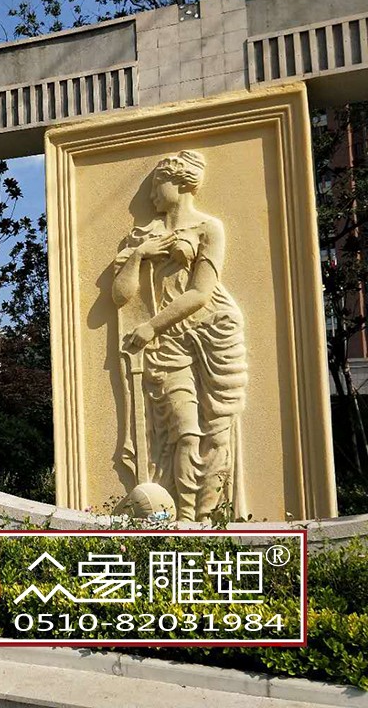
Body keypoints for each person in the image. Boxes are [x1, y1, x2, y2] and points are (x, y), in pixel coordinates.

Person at [112, 150, 248, 521]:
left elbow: (202, 293)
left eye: (158, 184)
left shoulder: (209, 229)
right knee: (185, 432)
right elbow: (120, 296)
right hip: (168, 343)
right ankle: (185, 519)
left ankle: (207, 518)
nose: (151, 194)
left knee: (216, 431)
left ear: (182, 183)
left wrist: (150, 326)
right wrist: (139, 255)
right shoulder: (143, 236)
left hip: (215, 331)